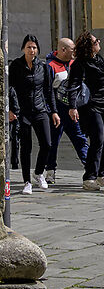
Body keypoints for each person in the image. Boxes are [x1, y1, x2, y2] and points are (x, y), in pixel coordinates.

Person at [67, 32, 104, 191]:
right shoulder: (80, 64)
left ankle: (100, 173)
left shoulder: (100, 60)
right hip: (93, 106)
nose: (99, 42)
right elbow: (73, 85)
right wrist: (72, 106)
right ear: (88, 46)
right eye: (95, 41)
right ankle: (89, 177)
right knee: (97, 140)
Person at [8, 38, 59, 195]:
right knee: (26, 147)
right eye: (29, 47)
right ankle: (27, 182)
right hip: (23, 112)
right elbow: (9, 88)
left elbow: (49, 91)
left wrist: (54, 112)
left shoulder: (43, 67)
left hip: (40, 110)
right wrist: (10, 109)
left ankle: (38, 173)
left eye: (35, 48)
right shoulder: (16, 66)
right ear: (23, 48)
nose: (32, 50)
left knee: (47, 144)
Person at [48, 39, 86, 170]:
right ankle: (50, 170)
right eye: (72, 49)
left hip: (71, 109)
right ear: (63, 50)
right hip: (56, 111)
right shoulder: (50, 65)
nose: (75, 52)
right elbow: (48, 91)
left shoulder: (74, 63)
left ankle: (92, 169)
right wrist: (53, 111)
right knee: (53, 142)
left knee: (80, 138)